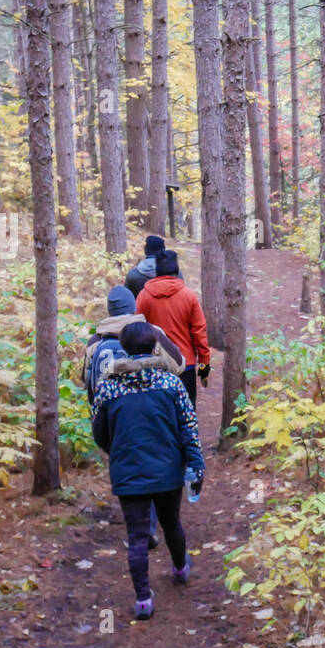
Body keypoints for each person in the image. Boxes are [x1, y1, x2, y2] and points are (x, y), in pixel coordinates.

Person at [91, 322, 205, 620]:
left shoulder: (107, 388)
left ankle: (143, 599)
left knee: (137, 536)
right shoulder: (171, 384)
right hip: (167, 470)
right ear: (155, 346)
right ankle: (180, 567)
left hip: (127, 472)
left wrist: (117, 453)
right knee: (172, 524)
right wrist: (195, 465)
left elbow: (100, 434)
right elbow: (188, 429)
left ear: (124, 347)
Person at [82, 286, 184, 405]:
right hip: (150, 407)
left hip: (110, 411)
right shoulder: (151, 332)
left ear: (110, 310)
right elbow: (178, 366)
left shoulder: (95, 340)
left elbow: (87, 379)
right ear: (133, 307)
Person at [136, 248, 212, 408]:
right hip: (185, 364)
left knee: (160, 414)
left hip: (155, 365)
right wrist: (204, 366)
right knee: (186, 412)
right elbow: (199, 332)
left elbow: (137, 331)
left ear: (156, 271)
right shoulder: (188, 296)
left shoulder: (144, 296)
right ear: (176, 270)